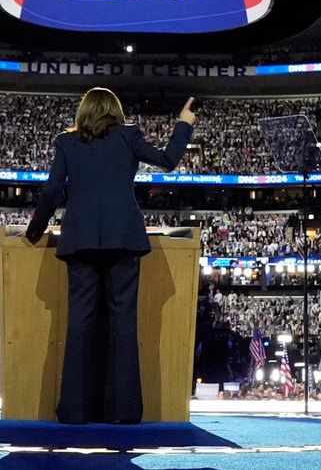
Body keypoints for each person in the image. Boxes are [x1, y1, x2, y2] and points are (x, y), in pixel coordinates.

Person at [25, 88, 195, 424]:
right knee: (124, 325)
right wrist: (183, 124)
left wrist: (34, 231)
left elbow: (53, 190)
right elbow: (167, 160)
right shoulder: (128, 136)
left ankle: (74, 411)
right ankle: (125, 411)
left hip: (81, 240)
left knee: (78, 325)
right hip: (123, 239)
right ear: (115, 111)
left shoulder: (67, 142)